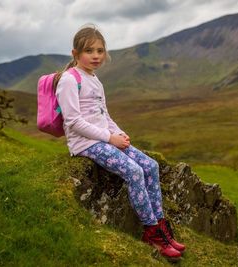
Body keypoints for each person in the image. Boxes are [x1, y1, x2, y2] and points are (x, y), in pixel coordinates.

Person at [54, 24, 185, 262]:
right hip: (85, 143)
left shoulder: (94, 80)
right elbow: (73, 121)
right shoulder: (69, 80)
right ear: (75, 54)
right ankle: (151, 232)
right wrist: (108, 137)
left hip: (104, 137)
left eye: (100, 51)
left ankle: (162, 228)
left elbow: (104, 114)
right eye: (88, 51)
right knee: (134, 172)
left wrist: (119, 133)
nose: (95, 56)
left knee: (151, 166)